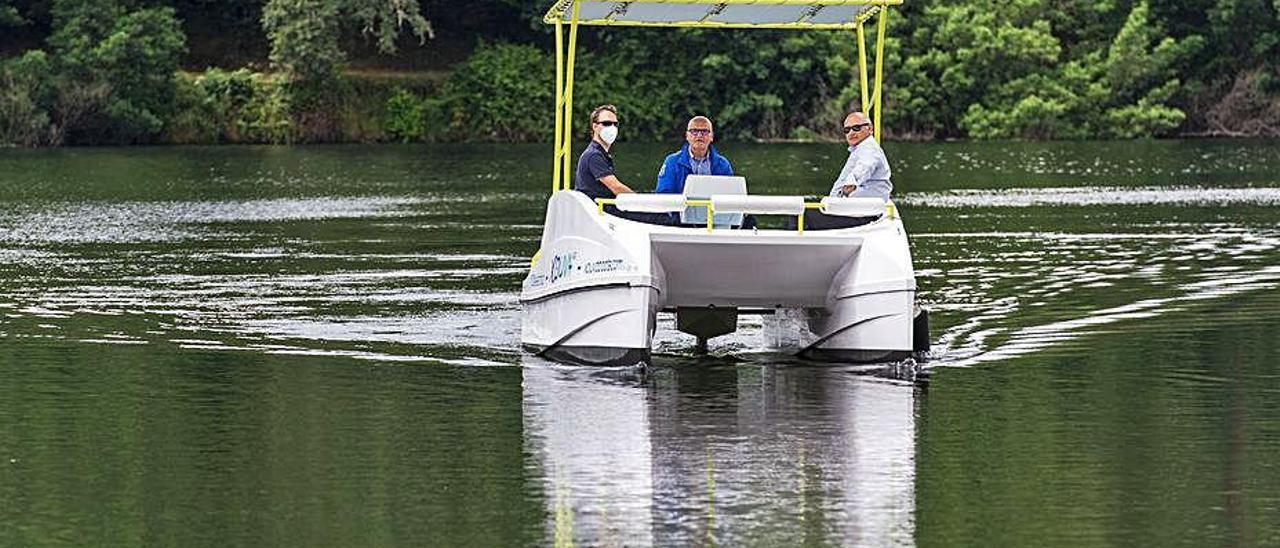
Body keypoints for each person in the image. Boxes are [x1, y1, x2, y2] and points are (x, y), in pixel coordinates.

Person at [574, 105, 669, 224]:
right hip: (602, 212)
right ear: (595, 126)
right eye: (607, 123)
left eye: (615, 124)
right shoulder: (593, 155)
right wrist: (641, 203)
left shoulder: (600, 153)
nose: (612, 128)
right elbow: (616, 187)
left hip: (607, 209)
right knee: (664, 217)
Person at [655, 116, 733, 194]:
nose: (699, 135)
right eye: (694, 131)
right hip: (681, 206)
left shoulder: (723, 164)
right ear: (687, 136)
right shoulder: (672, 162)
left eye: (704, 131)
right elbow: (662, 195)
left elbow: (730, 195)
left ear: (711, 136)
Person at [828, 111, 892, 201]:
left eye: (856, 128)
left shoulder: (869, 148)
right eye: (847, 130)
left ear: (870, 128)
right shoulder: (859, 149)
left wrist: (851, 182)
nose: (851, 133)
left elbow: (866, 164)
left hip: (863, 207)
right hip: (852, 205)